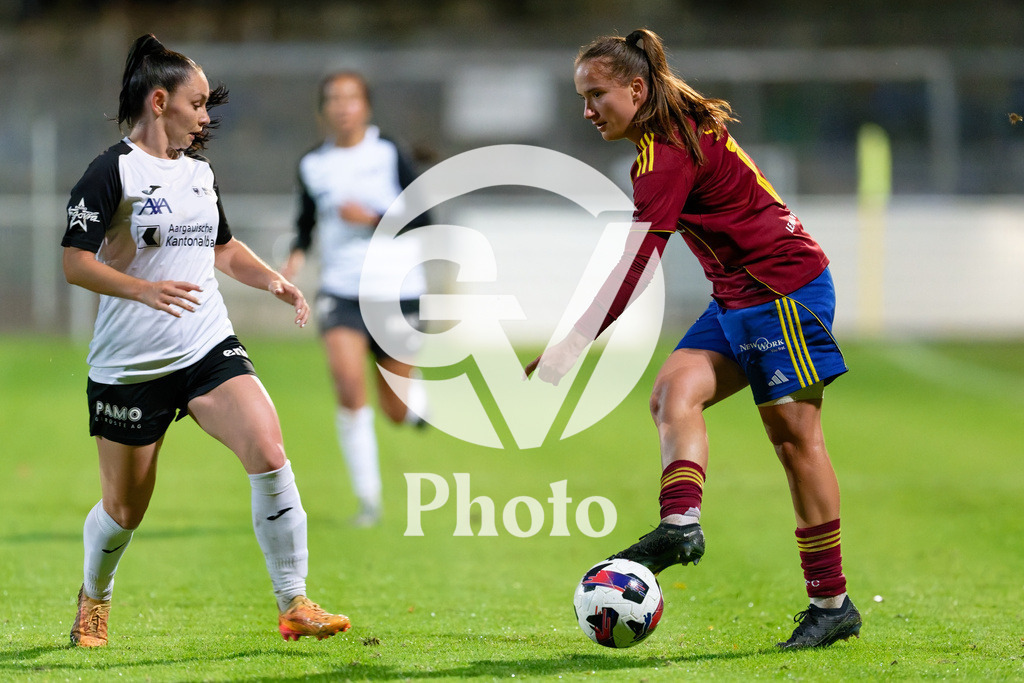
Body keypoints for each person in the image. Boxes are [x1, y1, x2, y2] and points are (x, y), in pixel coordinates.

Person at [526, 28, 861, 649]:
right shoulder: (668, 131)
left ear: (636, 88)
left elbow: (637, 263)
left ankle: (831, 603)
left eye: (596, 95)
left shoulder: (666, 153)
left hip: (782, 290)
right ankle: (680, 525)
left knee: (795, 441)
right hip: (737, 294)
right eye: (582, 97)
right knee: (672, 392)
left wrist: (575, 341)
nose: (588, 110)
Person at [61, 34, 351, 647]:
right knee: (124, 510)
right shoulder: (111, 171)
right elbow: (75, 263)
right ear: (159, 101)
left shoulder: (199, 173)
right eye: (196, 104)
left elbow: (222, 247)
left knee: (268, 449)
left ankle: (293, 601)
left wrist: (273, 281)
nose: (205, 117)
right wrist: (144, 290)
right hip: (131, 366)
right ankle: (95, 595)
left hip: (205, 345)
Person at [280, 71, 428, 528]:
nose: (343, 106)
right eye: (334, 98)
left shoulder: (389, 152)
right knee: (348, 387)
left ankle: (418, 403)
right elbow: (307, 219)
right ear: (323, 109)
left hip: (397, 289)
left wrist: (373, 218)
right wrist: (296, 254)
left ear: (365, 106)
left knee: (396, 410)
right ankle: (369, 502)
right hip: (341, 290)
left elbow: (426, 216)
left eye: (351, 98)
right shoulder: (313, 163)